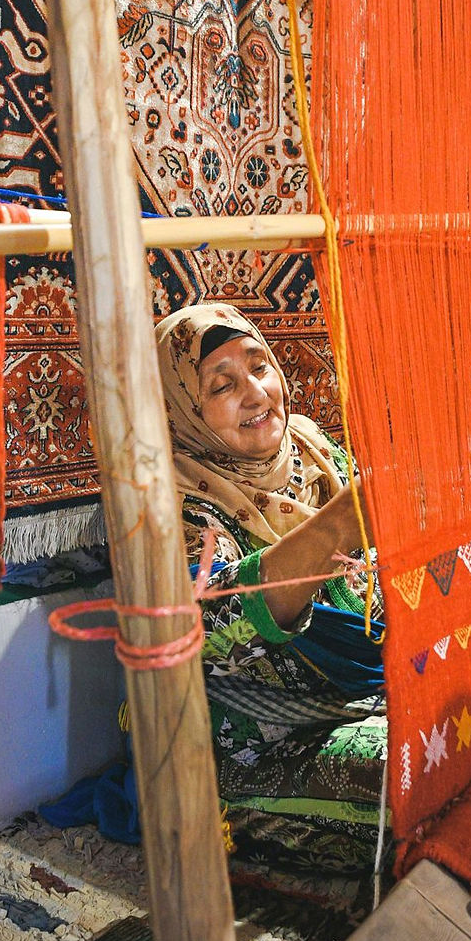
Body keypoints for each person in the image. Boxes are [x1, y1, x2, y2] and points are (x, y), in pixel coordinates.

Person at [154, 303, 388, 873]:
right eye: (222, 385)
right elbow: (209, 630)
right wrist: (337, 524)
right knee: (434, 766)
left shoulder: (316, 457)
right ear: (183, 406)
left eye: (260, 367)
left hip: (363, 698)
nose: (257, 394)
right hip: (262, 747)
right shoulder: (174, 508)